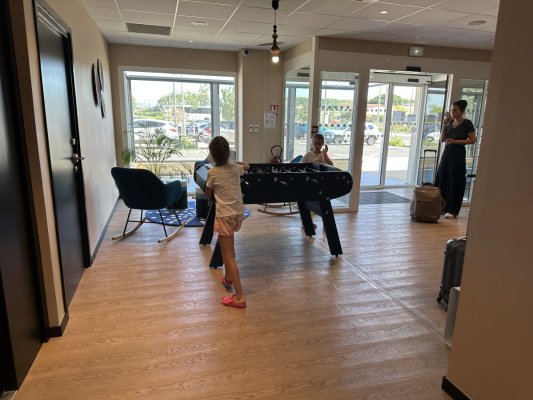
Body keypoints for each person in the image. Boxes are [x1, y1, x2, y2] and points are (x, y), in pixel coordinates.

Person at [204, 137, 249, 308]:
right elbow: (247, 166)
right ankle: (228, 278)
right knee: (225, 249)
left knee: (229, 255)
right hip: (238, 214)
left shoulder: (213, 172)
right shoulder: (236, 168)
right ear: (229, 153)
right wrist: (233, 162)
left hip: (225, 216)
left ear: (212, 155)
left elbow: (208, 194)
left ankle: (240, 297)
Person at [435, 99, 477, 219]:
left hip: (458, 154)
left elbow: (473, 140)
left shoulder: (467, 123)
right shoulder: (450, 123)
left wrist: (455, 141)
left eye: (455, 110)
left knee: (455, 180)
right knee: (442, 177)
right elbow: (441, 139)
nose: (452, 112)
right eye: (451, 110)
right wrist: (444, 125)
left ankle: (452, 210)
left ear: (461, 111)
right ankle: (440, 206)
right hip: (447, 153)